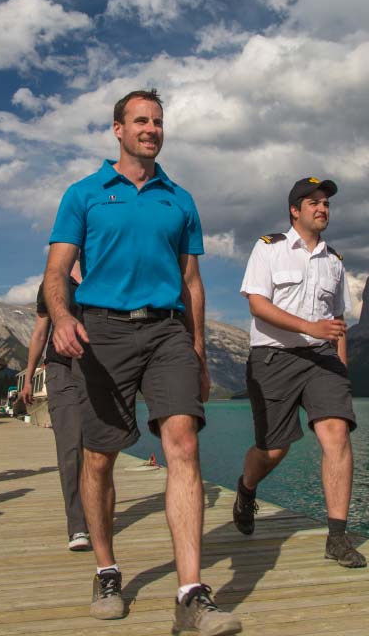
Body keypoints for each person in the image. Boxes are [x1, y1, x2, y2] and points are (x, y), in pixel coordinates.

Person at [43, 89, 242, 634]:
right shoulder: (84, 194)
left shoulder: (179, 199)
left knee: (183, 442)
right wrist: (62, 318)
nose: (151, 128)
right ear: (117, 130)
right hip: (101, 331)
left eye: (157, 121)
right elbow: (57, 271)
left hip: (167, 332)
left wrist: (198, 350)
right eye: (140, 121)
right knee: (100, 456)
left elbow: (193, 283)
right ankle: (106, 569)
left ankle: (191, 591)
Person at [234, 177, 366, 569]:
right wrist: (309, 327)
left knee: (336, 433)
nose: (322, 208)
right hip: (274, 359)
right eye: (314, 202)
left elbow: (337, 319)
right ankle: (246, 488)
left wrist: (340, 364)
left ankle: (337, 537)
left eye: (326, 203)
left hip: (323, 362)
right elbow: (257, 305)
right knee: (274, 449)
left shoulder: (335, 261)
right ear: (295, 210)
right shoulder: (268, 248)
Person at [22, 261, 90, 552]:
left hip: (101, 372)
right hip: (62, 368)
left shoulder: (104, 272)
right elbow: (40, 333)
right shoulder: (52, 283)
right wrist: (28, 376)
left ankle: (95, 510)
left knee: (98, 447)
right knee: (70, 445)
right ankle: (77, 524)